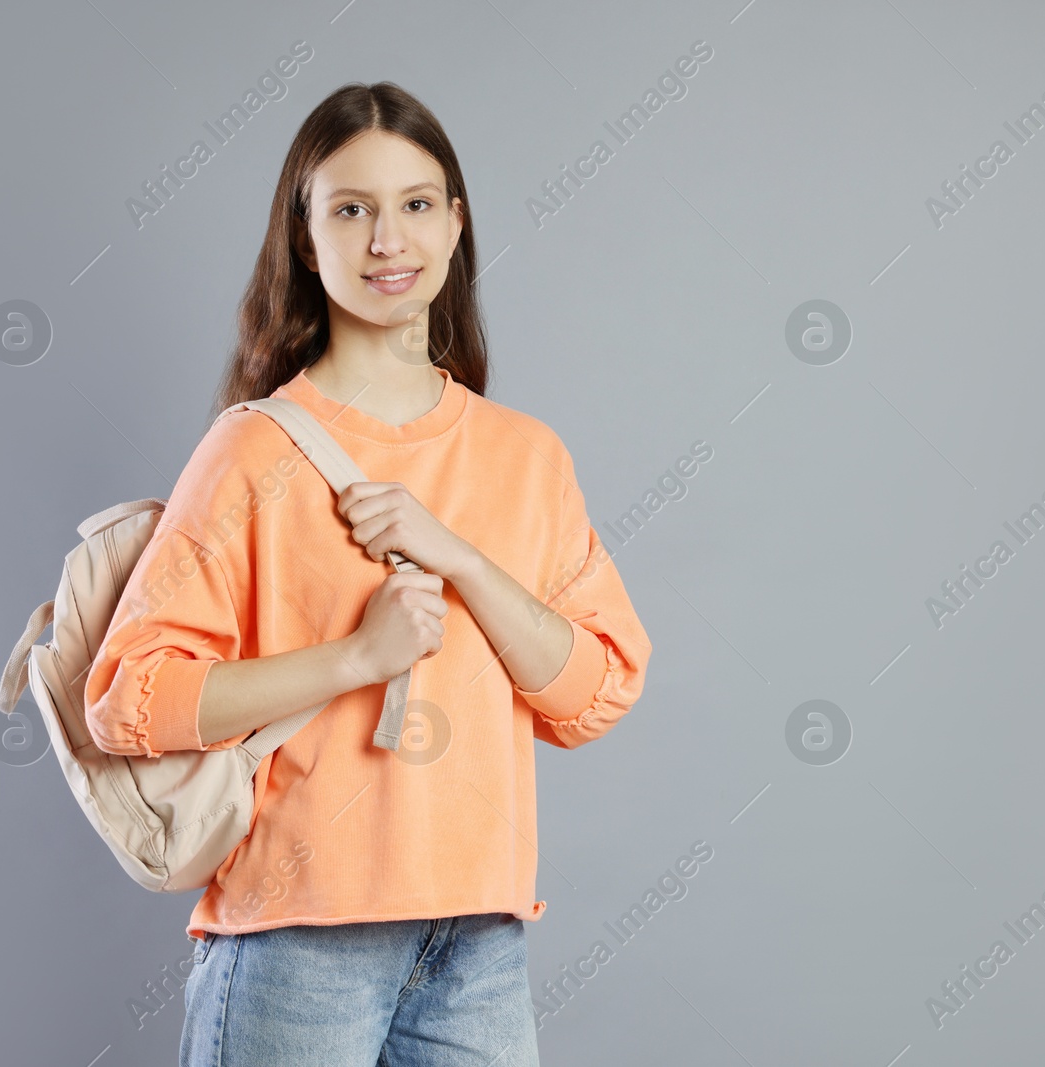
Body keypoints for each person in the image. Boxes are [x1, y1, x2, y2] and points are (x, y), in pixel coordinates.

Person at [82, 80, 652, 1066]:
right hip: (294, 935)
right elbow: (127, 699)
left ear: (455, 222)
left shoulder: (524, 455)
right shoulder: (252, 453)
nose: (390, 239)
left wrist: (461, 556)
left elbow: (594, 692)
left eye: (416, 204)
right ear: (307, 238)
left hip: (478, 936)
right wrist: (357, 655)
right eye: (352, 209)